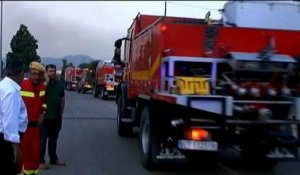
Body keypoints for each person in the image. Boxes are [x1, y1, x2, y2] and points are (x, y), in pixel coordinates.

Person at [0, 60, 28, 175]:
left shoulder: (3, 85)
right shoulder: (11, 92)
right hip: (7, 141)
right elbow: (10, 121)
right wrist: (15, 148)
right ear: (21, 73)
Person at [20, 62, 46, 175]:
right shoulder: (21, 85)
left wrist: (42, 114)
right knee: (23, 156)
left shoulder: (42, 87)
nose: (36, 77)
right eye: (34, 74)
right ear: (29, 73)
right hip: (22, 129)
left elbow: (44, 103)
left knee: (35, 155)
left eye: (38, 74)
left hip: (35, 129)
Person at [39, 64, 65, 169]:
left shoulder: (59, 84)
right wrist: (46, 82)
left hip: (56, 117)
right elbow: (39, 94)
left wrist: (61, 112)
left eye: (54, 71)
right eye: (50, 71)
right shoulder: (42, 84)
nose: (52, 73)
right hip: (44, 118)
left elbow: (62, 98)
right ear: (46, 72)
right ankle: (40, 161)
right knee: (42, 141)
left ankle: (53, 158)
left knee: (53, 140)